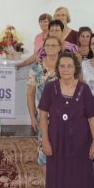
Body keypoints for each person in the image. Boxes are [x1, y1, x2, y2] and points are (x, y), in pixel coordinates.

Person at [39, 52, 94, 188]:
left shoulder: (84, 89)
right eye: (62, 66)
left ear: (76, 68)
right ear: (57, 69)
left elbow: (92, 117)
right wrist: (46, 141)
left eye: (69, 66)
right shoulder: (51, 88)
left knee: (80, 182)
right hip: (57, 143)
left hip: (81, 144)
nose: (66, 69)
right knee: (62, 182)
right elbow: (43, 116)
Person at [27, 36, 64, 174]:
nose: (50, 48)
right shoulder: (36, 68)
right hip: (44, 118)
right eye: (48, 45)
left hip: (66, 118)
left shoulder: (67, 66)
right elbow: (30, 94)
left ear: (60, 47)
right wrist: (32, 116)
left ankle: (63, 187)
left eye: (54, 45)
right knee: (44, 153)